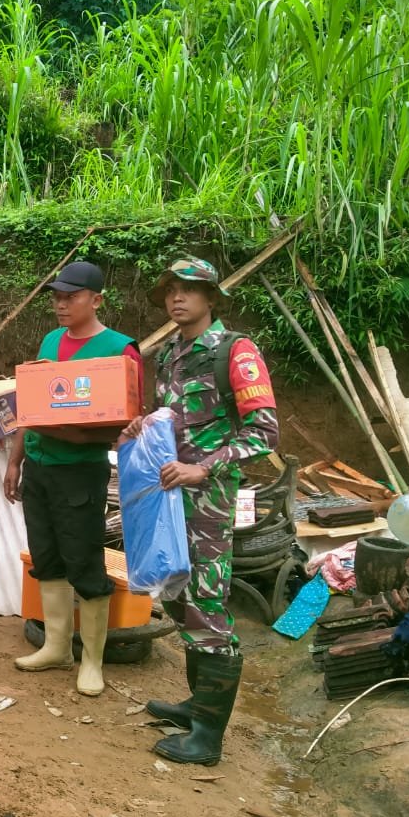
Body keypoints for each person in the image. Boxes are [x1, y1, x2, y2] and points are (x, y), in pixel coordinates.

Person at [122, 256, 278, 765]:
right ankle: (195, 704)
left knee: (207, 607)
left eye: (189, 289)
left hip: (208, 502)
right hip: (168, 500)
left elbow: (264, 433)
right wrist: (141, 429)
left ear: (212, 298)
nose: (176, 298)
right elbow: (173, 419)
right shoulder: (169, 353)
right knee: (176, 592)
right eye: (170, 290)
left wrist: (205, 467)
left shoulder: (236, 351)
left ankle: (208, 737)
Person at [3, 261, 141, 697]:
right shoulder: (50, 341)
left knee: (83, 561)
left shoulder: (120, 350)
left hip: (80, 470)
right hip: (40, 466)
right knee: (47, 557)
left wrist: (76, 431)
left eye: (71, 296)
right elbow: (33, 406)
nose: (61, 304)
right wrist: (15, 461)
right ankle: (57, 646)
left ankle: (92, 661)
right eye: (57, 297)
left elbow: (126, 421)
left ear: (96, 300)